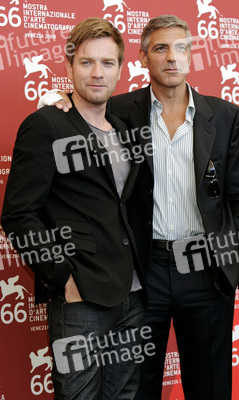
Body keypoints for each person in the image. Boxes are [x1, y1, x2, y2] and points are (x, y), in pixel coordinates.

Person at [38, 14, 239, 400]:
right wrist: (56, 101)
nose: (172, 57)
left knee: (212, 386)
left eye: (181, 47)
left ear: (192, 55)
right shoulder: (118, 110)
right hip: (142, 271)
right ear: (141, 57)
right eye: (160, 48)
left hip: (206, 269)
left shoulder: (225, 117)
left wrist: (233, 265)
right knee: (137, 387)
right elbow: (77, 112)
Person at [1, 18, 147, 400]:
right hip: (80, 298)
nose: (97, 73)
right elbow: (18, 213)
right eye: (86, 62)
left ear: (120, 69)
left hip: (133, 295)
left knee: (125, 394)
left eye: (108, 63)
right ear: (69, 67)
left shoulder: (123, 128)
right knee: (78, 396)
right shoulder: (46, 124)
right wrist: (61, 276)